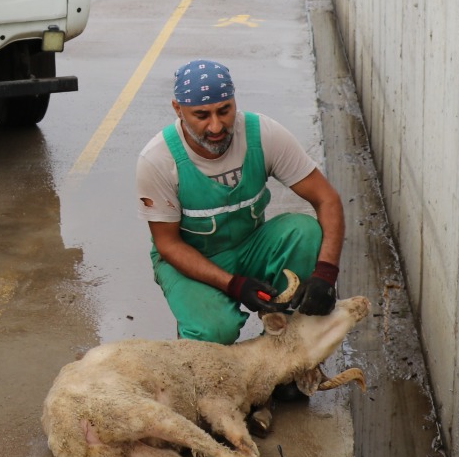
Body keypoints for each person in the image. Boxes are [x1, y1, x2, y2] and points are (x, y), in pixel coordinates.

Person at [138, 59, 346, 347]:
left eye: (225, 110)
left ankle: (281, 348)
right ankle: (195, 340)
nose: (216, 125)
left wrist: (326, 273)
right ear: (178, 109)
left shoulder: (263, 135)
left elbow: (327, 199)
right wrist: (234, 285)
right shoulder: (158, 160)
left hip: (250, 246)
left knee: (305, 231)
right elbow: (168, 245)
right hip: (189, 259)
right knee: (214, 331)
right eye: (201, 115)